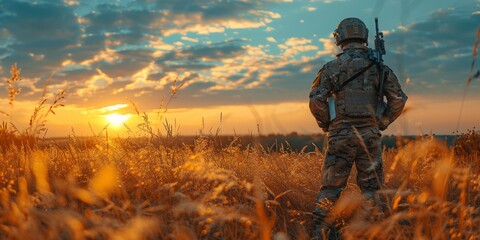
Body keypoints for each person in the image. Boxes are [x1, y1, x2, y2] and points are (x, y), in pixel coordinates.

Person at [309, 17, 407, 239]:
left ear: (340, 37)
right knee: (373, 191)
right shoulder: (380, 67)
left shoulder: (331, 68)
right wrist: (381, 122)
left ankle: (321, 234)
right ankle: (375, 232)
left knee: (331, 189)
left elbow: (316, 101)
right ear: (363, 36)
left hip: (340, 136)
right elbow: (398, 100)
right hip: (369, 137)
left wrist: (328, 124)